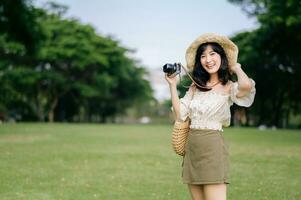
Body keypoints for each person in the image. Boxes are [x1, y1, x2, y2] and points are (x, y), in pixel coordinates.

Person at [165, 33, 256, 200]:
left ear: (222, 57)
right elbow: (180, 115)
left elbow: (246, 86)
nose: (208, 59)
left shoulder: (228, 86)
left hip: (213, 149)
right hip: (192, 149)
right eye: (203, 56)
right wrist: (172, 86)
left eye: (212, 54)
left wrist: (235, 67)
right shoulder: (195, 87)